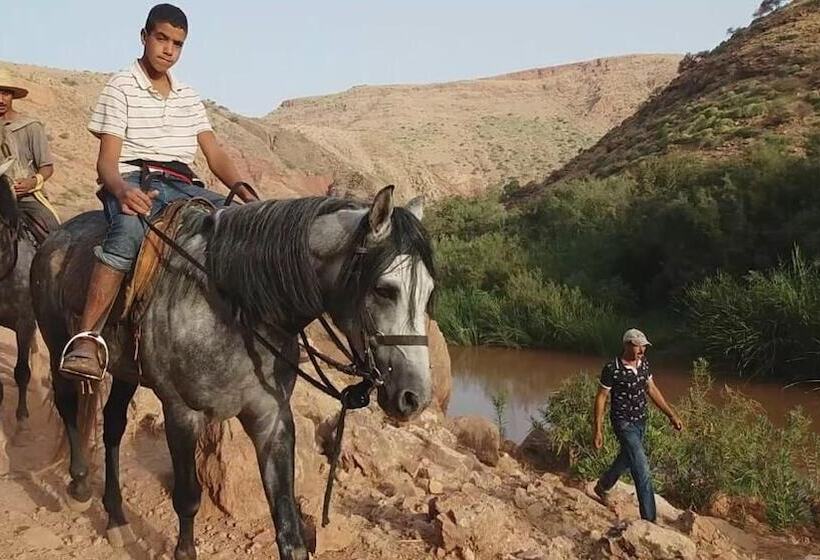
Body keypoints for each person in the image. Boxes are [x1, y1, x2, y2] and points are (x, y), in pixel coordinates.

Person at [59, 3, 256, 381]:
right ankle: (87, 339)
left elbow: (213, 152)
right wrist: (120, 192)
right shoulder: (121, 86)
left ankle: (241, 336)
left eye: (177, 44)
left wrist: (245, 192)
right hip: (137, 180)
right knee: (127, 232)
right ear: (144, 37)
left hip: (184, 185)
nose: (168, 49)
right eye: (161, 38)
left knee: (238, 225)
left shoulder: (188, 95)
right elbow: (107, 162)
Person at [590, 328, 683, 522]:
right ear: (626, 345)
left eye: (644, 346)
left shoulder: (644, 365)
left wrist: (671, 415)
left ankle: (602, 486)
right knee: (642, 469)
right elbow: (601, 397)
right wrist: (597, 429)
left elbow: (652, 389)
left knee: (626, 458)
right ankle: (649, 520)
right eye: (637, 346)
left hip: (641, 420)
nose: (641, 350)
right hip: (623, 423)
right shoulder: (612, 368)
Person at [0, 68, 61, 242]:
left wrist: (31, 182)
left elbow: (47, 167)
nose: (0, 99)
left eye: (5, 94)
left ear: (12, 96)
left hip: (27, 197)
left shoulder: (30, 126)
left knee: (54, 237)